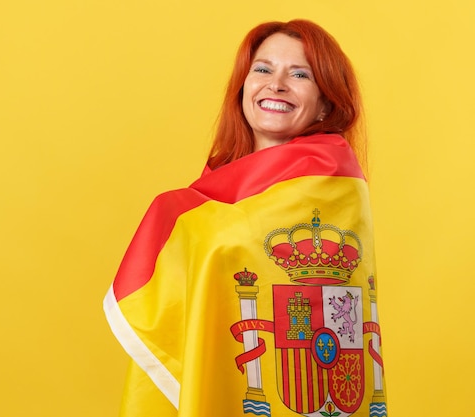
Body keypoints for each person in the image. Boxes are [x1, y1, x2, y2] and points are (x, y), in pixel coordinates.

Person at [104, 19, 388, 417]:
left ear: (327, 102)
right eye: (263, 69)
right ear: (243, 88)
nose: (276, 84)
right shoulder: (210, 196)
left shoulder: (334, 187)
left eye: (300, 74)